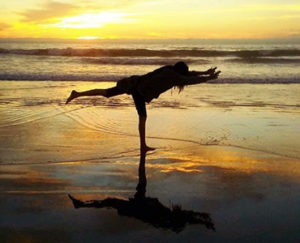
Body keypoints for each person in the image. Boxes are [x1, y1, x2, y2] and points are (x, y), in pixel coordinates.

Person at [66, 62, 221, 152]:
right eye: (183, 74)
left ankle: (77, 93)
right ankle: (143, 146)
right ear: (179, 72)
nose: (183, 76)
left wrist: (205, 72)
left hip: (134, 83)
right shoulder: (173, 76)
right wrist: (208, 78)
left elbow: (189, 75)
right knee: (142, 117)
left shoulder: (169, 69)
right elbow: (189, 80)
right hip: (138, 90)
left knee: (106, 93)